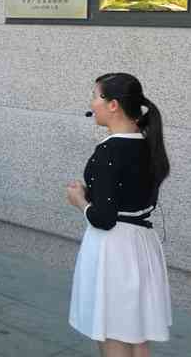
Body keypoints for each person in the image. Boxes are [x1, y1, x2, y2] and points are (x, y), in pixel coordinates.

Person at [67, 73, 172, 356]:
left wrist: (80, 200)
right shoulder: (147, 144)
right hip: (143, 245)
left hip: (114, 250)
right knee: (137, 334)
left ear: (113, 105)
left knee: (112, 330)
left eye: (95, 97)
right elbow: (127, 195)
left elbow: (104, 218)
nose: (92, 104)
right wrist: (94, 193)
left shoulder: (109, 151)